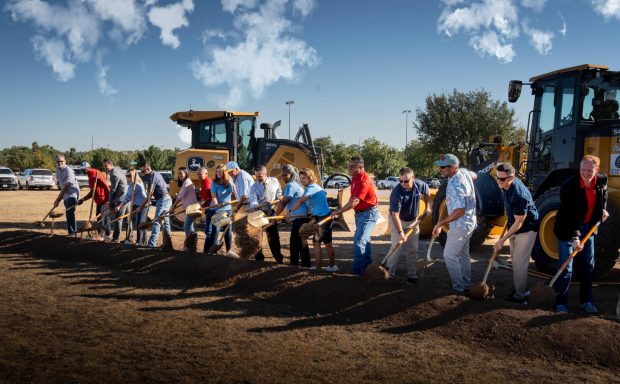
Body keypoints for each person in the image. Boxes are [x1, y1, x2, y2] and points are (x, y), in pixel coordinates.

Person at [552, 155, 609, 314]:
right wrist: (575, 238)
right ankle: (561, 303)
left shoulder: (601, 181)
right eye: (583, 169)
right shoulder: (569, 186)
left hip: (589, 228)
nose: (585, 173)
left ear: (597, 170)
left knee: (588, 267)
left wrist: (602, 210)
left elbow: (604, 195)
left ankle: (586, 301)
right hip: (567, 229)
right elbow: (568, 215)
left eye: (590, 170)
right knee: (566, 267)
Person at [493, 163, 539, 304]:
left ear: (511, 178)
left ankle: (521, 296)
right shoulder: (506, 186)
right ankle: (520, 288)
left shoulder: (519, 195)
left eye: (502, 179)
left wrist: (502, 240)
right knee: (515, 261)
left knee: (520, 263)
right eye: (497, 178)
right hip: (515, 225)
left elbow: (520, 223)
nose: (498, 181)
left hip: (527, 229)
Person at [431, 154, 477, 293]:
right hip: (469, 223)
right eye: (440, 166)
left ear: (453, 167)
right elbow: (475, 175)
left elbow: (459, 211)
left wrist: (440, 224)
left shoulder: (457, 184)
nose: (440, 169)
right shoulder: (462, 172)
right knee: (463, 255)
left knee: (449, 256)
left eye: (443, 167)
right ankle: (466, 284)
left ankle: (459, 288)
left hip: (461, 225)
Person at [332, 157, 378, 276]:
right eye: (349, 166)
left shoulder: (363, 180)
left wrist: (339, 211)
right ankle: (368, 265)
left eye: (352, 166)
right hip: (360, 214)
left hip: (368, 214)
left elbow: (354, 202)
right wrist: (341, 209)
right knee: (365, 240)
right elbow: (352, 197)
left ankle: (357, 272)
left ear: (361, 167)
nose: (349, 168)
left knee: (359, 241)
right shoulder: (355, 178)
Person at [386, 167, 431, 284]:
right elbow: (395, 215)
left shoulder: (420, 185)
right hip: (397, 220)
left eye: (406, 181)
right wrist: (401, 232)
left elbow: (427, 192)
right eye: (400, 181)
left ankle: (412, 275)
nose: (403, 183)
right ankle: (389, 274)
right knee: (396, 247)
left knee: (413, 249)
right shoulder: (396, 193)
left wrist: (427, 207)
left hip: (413, 221)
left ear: (413, 178)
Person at [287, 168, 337, 271]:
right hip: (318, 217)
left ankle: (331, 266)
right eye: (300, 178)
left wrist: (290, 212)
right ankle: (321, 267)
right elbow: (312, 205)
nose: (302, 180)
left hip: (324, 218)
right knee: (320, 242)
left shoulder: (312, 187)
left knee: (323, 243)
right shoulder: (310, 188)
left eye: (304, 178)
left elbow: (301, 200)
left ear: (310, 178)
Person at [275, 164, 311, 267]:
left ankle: (294, 264)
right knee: (300, 241)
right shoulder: (295, 184)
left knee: (295, 242)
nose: (283, 177)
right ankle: (305, 263)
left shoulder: (291, 185)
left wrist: (275, 215)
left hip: (299, 218)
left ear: (291, 174)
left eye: (285, 175)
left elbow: (285, 201)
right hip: (301, 217)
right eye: (282, 175)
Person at [248, 165, 283, 263]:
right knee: (257, 237)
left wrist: (279, 195)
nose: (258, 179)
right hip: (258, 212)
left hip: (270, 212)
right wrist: (255, 206)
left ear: (266, 174)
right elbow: (253, 199)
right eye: (256, 176)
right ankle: (259, 259)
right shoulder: (254, 187)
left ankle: (279, 259)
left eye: (260, 176)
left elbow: (279, 191)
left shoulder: (274, 181)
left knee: (273, 237)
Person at [139, 163, 172, 248]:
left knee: (156, 221)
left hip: (163, 200)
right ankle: (168, 243)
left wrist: (141, 207)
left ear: (148, 168)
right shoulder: (155, 174)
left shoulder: (153, 177)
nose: (142, 173)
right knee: (166, 223)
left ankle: (151, 244)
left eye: (143, 171)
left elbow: (149, 195)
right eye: (141, 171)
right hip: (165, 199)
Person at [208, 164, 238, 257]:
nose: (218, 173)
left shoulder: (230, 181)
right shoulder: (214, 183)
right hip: (217, 209)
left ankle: (228, 251)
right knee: (216, 230)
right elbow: (213, 195)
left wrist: (238, 199)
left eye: (220, 171)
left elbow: (235, 193)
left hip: (227, 209)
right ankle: (213, 250)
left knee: (227, 230)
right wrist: (216, 203)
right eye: (217, 171)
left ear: (225, 172)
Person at [77, 161, 110, 240]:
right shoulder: (93, 172)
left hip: (103, 199)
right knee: (102, 218)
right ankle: (105, 235)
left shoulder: (93, 174)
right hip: (100, 199)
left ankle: (104, 235)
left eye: (83, 169)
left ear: (88, 167)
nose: (82, 171)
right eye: (81, 169)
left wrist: (83, 199)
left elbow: (93, 191)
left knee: (102, 218)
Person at [53, 155, 80, 236]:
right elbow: (61, 185)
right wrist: (60, 198)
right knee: (68, 213)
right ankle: (71, 232)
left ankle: (72, 233)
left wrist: (58, 199)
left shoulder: (68, 170)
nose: (60, 163)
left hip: (72, 194)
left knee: (70, 213)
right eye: (58, 161)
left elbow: (66, 186)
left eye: (61, 161)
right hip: (65, 195)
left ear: (65, 161)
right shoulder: (58, 170)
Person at [103, 159, 127, 242]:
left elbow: (113, 190)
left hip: (121, 198)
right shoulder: (118, 169)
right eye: (104, 166)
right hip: (123, 197)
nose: (105, 168)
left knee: (118, 219)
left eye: (106, 166)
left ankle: (115, 239)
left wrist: (109, 201)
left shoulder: (114, 174)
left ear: (110, 164)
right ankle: (109, 235)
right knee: (122, 219)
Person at [122, 168, 148, 245]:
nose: (127, 177)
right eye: (126, 175)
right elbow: (127, 196)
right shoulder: (132, 185)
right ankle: (143, 241)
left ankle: (140, 242)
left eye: (129, 175)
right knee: (139, 224)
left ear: (133, 175)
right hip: (137, 206)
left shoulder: (137, 184)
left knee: (140, 224)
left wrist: (121, 205)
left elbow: (128, 197)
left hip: (143, 206)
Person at [175, 167, 198, 239]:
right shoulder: (186, 181)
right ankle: (192, 243)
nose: (179, 175)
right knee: (190, 227)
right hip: (189, 208)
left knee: (186, 227)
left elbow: (179, 197)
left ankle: (190, 242)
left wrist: (173, 207)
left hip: (191, 208)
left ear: (186, 173)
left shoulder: (187, 182)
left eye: (181, 173)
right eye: (178, 174)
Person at [198, 167, 214, 254]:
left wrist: (198, 206)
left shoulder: (207, 183)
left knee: (208, 231)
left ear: (206, 174)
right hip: (209, 208)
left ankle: (207, 251)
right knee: (210, 230)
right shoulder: (205, 181)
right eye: (198, 174)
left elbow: (206, 197)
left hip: (210, 209)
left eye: (200, 174)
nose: (199, 175)